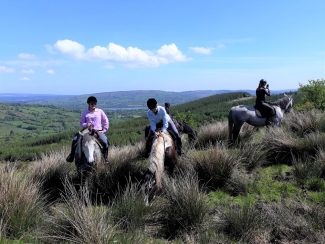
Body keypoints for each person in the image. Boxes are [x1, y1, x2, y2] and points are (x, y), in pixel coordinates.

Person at [66, 96, 110, 163]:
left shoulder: (100, 111)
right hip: (86, 131)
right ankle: (71, 156)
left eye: (95, 103)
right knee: (75, 140)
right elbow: (81, 123)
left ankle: (105, 158)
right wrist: (86, 125)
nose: (94, 105)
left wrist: (104, 130)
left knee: (105, 142)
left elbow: (106, 121)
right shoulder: (85, 113)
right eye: (92, 104)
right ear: (89, 104)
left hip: (98, 131)